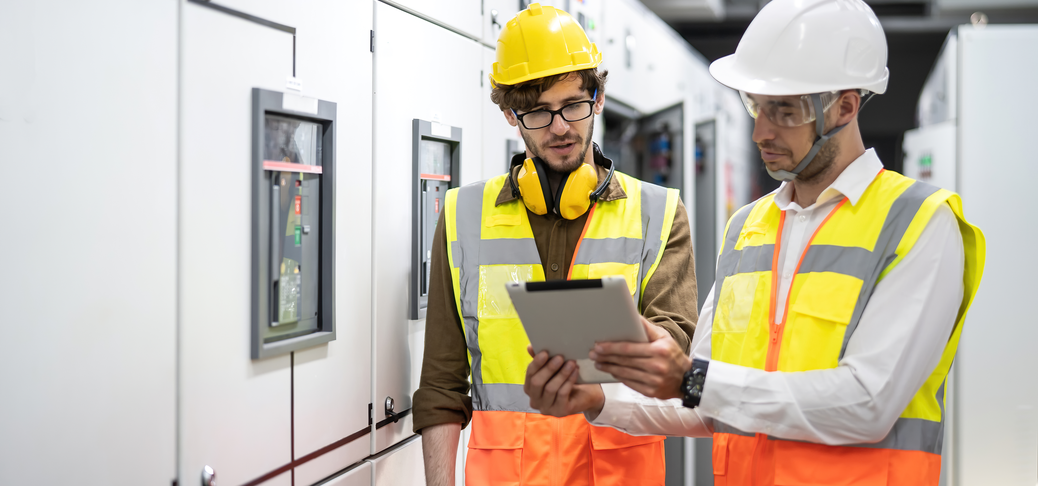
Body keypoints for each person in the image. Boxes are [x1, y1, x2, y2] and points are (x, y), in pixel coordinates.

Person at [522, 1, 986, 485]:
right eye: (755, 106)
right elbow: (703, 403)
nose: (760, 131)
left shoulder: (920, 223)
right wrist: (599, 400)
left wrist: (690, 379)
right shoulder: (747, 227)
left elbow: (867, 403)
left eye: (784, 110)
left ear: (845, 105)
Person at [412, 4, 699, 486]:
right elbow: (442, 387)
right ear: (510, 115)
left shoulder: (659, 213)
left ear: (599, 98)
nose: (561, 127)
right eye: (538, 113)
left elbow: (675, 357)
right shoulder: (462, 217)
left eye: (572, 105)